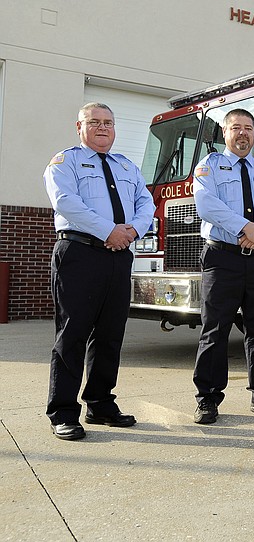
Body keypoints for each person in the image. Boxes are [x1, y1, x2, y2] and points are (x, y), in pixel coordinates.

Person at [43, 102, 155, 440]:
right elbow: (65, 202)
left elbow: (145, 202)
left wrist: (132, 231)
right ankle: (63, 412)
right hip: (79, 254)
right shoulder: (65, 163)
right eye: (94, 122)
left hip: (118, 256)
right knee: (72, 334)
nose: (102, 127)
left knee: (110, 335)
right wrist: (109, 230)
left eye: (108, 122)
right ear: (79, 128)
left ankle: (100, 403)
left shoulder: (127, 166)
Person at [191, 108, 254, 425]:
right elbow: (207, 205)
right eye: (236, 127)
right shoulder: (210, 166)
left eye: (248, 127)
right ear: (224, 132)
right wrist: (245, 227)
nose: (243, 133)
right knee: (215, 330)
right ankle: (207, 399)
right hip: (223, 258)